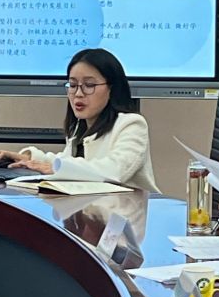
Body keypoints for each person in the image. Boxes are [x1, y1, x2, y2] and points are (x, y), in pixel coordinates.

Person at [10, 48, 157, 191]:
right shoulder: (79, 127)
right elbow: (67, 163)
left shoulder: (132, 124)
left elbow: (115, 171)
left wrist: (56, 168)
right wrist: (28, 158)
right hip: (92, 205)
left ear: (112, 88)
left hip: (127, 206)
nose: (78, 93)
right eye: (73, 85)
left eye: (89, 85)